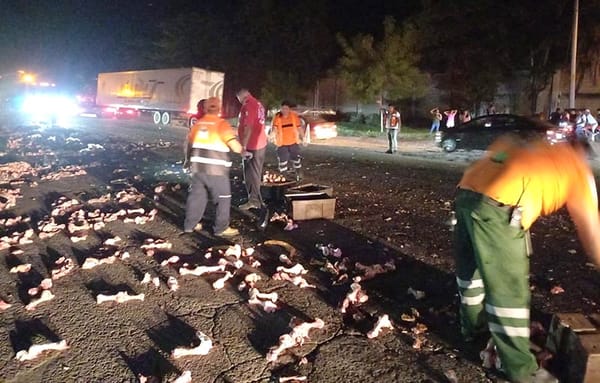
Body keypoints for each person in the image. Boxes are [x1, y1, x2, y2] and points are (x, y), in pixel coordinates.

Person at [453, 135, 600, 383]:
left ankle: (473, 328)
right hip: (503, 205)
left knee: (471, 271)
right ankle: (522, 369)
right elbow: (591, 229)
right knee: (509, 291)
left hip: (466, 194)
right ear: (582, 154)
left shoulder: (533, 147)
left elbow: (496, 150)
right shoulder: (577, 169)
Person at [182, 97, 242, 237]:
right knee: (223, 198)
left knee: (197, 197)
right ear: (219, 108)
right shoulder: (221, 124)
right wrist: (245, 152)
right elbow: (234, 144)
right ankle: (221, 228)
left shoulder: (198, 124)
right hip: (216, 170)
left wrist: (187, 161)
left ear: (205, 108)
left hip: (197, 168)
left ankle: (189, 225)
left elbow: (189, 145)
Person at [236, 89, 267, 210]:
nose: (240, 103)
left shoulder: (249, 105)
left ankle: (254, 201)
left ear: (242, 96)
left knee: (251, 173)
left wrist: (243, 146)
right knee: (255, 173)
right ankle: (254, 198)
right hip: (259, 143)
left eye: (240, 100)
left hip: (253, 145)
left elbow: (249, 126)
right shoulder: (258, 103)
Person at [270, 100, 305, 180]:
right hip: (282, 144)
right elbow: (275, 129)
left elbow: (299, 128)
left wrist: (303, 138)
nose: (284, 110)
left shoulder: (294, 116)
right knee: (283, 162)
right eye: (283, 108)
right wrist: (271, 136)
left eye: (286, 109)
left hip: (293, 143)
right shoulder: (277, 117)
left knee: (296, 160)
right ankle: (284, 177)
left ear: (289, 109)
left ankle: (299, 174)